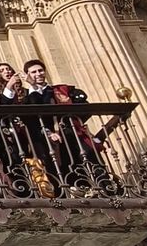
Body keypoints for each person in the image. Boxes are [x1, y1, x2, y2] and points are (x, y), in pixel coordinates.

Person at [21, 59, 100, 193]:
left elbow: (83, 107)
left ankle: (100, 189)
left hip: (70, 133)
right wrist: (49, 133)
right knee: (59, 170)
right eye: (33, 72)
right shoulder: (27, 96)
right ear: (27, 75)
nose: (38, 74)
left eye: (40, 70)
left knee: (88, 158)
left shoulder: (59, 90)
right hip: (46, 140)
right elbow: (35, 114)